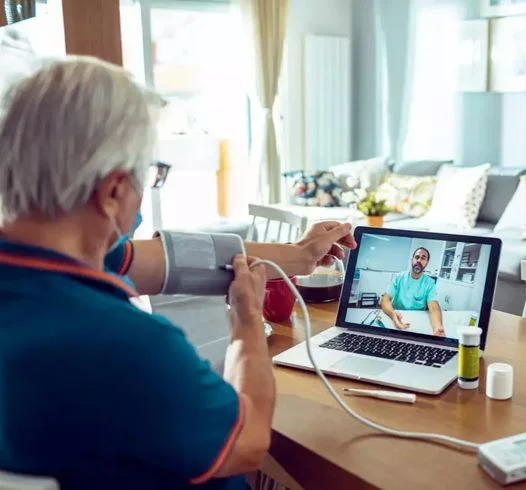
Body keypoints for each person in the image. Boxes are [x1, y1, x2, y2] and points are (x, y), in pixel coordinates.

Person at [0, 56, 354, 489]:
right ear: (112, 191)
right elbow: (248, 443)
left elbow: (168, 261)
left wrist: (298, 255)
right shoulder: (126, 344)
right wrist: (245, 327)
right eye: (149, 174)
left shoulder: (42, 259)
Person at [380, 247, 445, 337]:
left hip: (417, 322)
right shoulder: (399, 277)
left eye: (423, 258)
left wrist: (437, 327)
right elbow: (386, 299)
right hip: (396, 317)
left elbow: (433, 307)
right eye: (417, 257)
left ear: (427, 262)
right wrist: (394, 317)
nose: (419, 260)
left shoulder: (430, 283)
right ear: (412, 260)